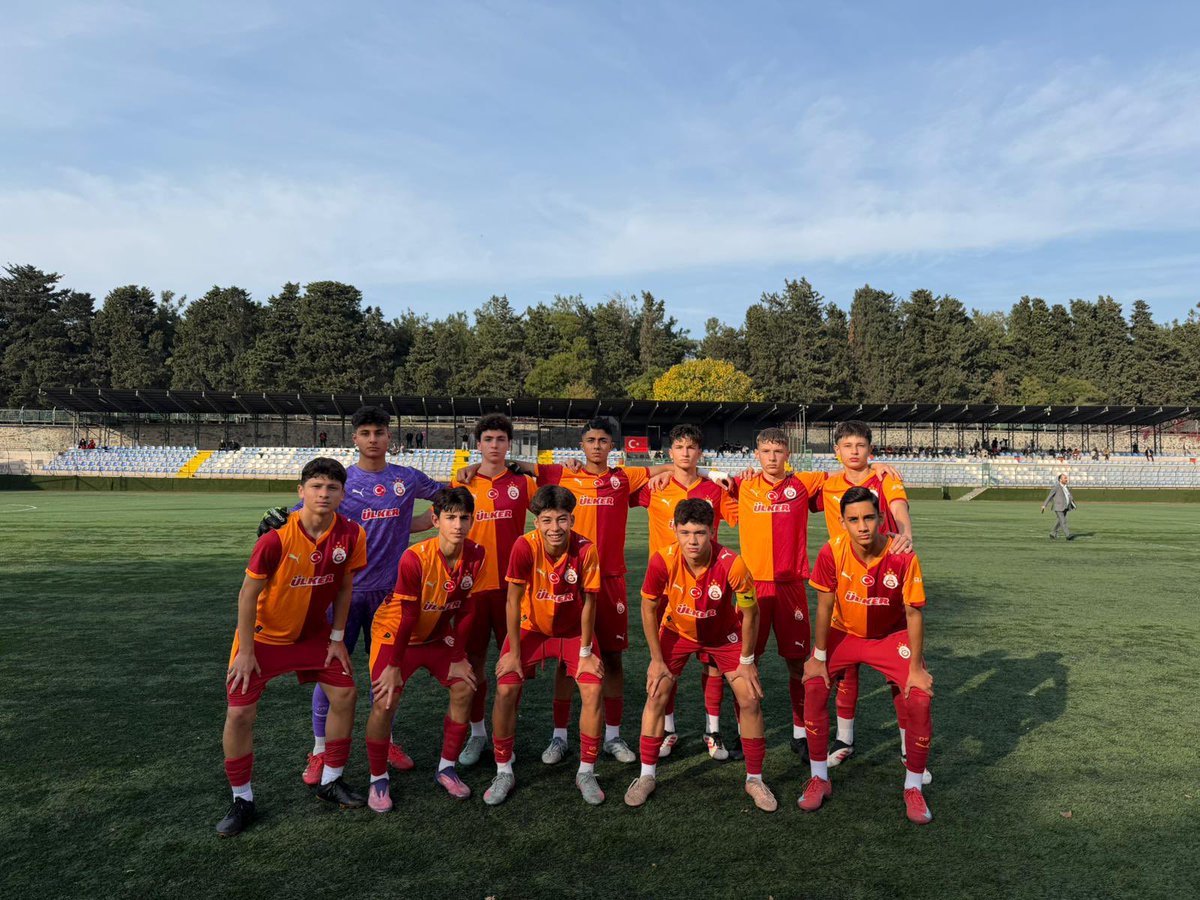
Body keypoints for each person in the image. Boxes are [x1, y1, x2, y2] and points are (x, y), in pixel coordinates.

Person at [262, 406, 440, 784]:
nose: (373, 439)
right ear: (355, 438)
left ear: (389, 437)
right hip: (344, 593)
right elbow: (300, 516)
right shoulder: (343, 482)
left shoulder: (406, 478)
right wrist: (274, 522)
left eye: (380, 432)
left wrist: (432, 516)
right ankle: (319, 750)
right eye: (366, 433)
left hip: (390, 595)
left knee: (387, 675)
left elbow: (448, 497)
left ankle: (385, 739)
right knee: (332, 673)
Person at [218, 457, 367, 837]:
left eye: (332, 487)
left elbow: (346, 587)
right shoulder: (276, 537)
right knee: (239, 716)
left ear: (342, 494)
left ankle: (330, 781)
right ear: (301, 492)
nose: (324, 493)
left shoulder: (351, 534)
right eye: (316, 486)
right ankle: (242, 799)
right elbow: (247, 595)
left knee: (345, 694)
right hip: (263, 639)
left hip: (313, 637)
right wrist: (247, 651)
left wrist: (336, 639)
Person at [624, 499, 777, 812]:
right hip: (677, 632)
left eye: (700, 533)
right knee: (656, 693)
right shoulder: (661, 560)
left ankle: (755, 779)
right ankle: (646, 775)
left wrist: (747, 661)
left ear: (712, 531)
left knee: (749, 698)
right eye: (685, 532)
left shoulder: (732, 563)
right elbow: (648, 607)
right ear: (675, 531)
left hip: (723, 636)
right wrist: (656, 659)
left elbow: (751, 612)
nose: (692, 541)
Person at [800, 486, 934, 824]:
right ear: (843, 522)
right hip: (844, 633)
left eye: (869, 518)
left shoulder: (903, 555)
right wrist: (818, 656)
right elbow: (824, 605)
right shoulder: (832, 551)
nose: (862, 526)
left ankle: (913, 786)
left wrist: (916, 667)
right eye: (854, 520)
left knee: (919, 697)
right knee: (815, 685)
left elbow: (914, 613)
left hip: (891, 637)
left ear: (880, 518)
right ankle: (819, 777)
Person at [484, 485, 606, 806]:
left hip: (571, 633)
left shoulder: (586, 549)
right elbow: (512, 600)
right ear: (536, 522)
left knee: (593, 689)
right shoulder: (524, 546)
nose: (555, 528)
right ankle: (503, 769)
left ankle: (586, 771)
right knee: (506, 689)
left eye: (562, 520)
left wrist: (585, 653)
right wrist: (510, 652)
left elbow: (590, 603)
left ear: (572, 519)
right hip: (530, 629)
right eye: (547, 520)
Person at [364, 488, 485, 810]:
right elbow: (407, 616)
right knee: (385, 699)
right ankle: (377, 778)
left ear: (472, 520)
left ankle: (447, 768)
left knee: (464, 687)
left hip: (435, 637)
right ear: (435, 520)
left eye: (464, 518)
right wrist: (393, 665)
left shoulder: (477, 553)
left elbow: (468, 610)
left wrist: (459, 658)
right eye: (450, 518)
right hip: (395, 635)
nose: (457, 524)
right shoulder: (415, 557)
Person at [814, 420, 914, 773]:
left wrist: (904, 534)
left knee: (898, 676)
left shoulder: (885, 477)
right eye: (847, 445)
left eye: (860, 444)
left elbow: (900, 507)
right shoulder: (825, 483)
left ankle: (906, 747)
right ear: (837, 451)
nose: (854, 451)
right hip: (844, 580)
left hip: (884, 575)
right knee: (845, 668)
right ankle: (844, 739)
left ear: (870, 448)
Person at [635, 423, 739, 760]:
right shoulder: (654, 488)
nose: (685, 453)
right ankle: (668, 729)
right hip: (666, 585)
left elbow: (741, 515)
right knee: (668, 663)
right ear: (670, 452)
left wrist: (723, 477)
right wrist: (660, 472)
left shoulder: (715, 488)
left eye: (692, 447)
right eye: (679, 447)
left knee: (712, 663)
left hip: (708, 584)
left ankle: (713, 730)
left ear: (700, 453)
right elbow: (612, 478)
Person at [730, 427, 826, 760]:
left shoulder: (804, 484)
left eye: (778, 452)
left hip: (791, 586)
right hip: (751, 587)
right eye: (766, 452)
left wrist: (880, 468)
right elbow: (703, 479)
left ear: (788, 455)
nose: (772, 458)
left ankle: (800, 733)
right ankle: (744, 731)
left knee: (797, 665)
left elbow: (847, 477)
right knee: (743, 663)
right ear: (756, 455)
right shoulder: (742, 485)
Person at [449, 413, 537, 767]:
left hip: (513, 590)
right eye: (488, 440)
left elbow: (549, 513)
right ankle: (478, 732)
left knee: (512, 665)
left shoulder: (523, 483)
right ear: (478, 444)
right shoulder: (462, 485)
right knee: (473, 664)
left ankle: (506, 734)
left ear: (509, 445)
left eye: (501, 439)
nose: (495, 446)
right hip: (471, 590)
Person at [1041, 473, 1077, 540]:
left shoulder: (1067, 487)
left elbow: (1069, 497)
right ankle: (1068, 535)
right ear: (1060, 480)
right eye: (1065, 478)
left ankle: (1052, 533)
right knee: (1063, 521)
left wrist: (1073, 505)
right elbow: (1049, 496)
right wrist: (1044, 505)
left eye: (1066, 478)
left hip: (1066, 507)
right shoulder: (1056, 487)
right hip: (1058, 507)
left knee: (1059, 521)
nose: (1066, 479)